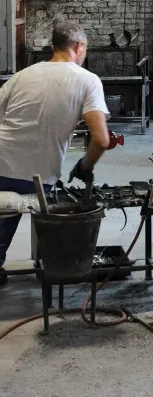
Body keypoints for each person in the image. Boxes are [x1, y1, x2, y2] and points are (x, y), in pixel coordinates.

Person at [0, 22, 111, 285]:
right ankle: (56, 268)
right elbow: (102, 139)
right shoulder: (87, 79)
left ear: (53, 47)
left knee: (3, 222)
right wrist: (85, 165)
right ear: (79, 47)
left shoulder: (22, 75)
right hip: (35, 174)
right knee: (50, 221)